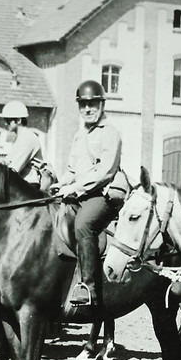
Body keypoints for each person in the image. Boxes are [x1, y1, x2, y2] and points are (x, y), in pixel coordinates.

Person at [50, 80, 122, 307]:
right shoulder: (79, 135)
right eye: (83, 105)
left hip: (102, 195)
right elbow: (72, 170)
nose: (88, 109)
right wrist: (60, 184)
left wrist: (73, 188)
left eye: (92, 104)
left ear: (102, 105)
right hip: (79, 194)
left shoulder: (110, 133)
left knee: (83, 224)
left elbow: (105, 172)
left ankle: (87, 287)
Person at [0, 101, 46, 186]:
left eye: (8, 120)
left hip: (29, 184)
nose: (5, 123)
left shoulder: (28, 138)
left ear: (19, 120)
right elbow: (7, 161)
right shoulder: (20, 137)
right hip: (21, 183)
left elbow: (13, 169)